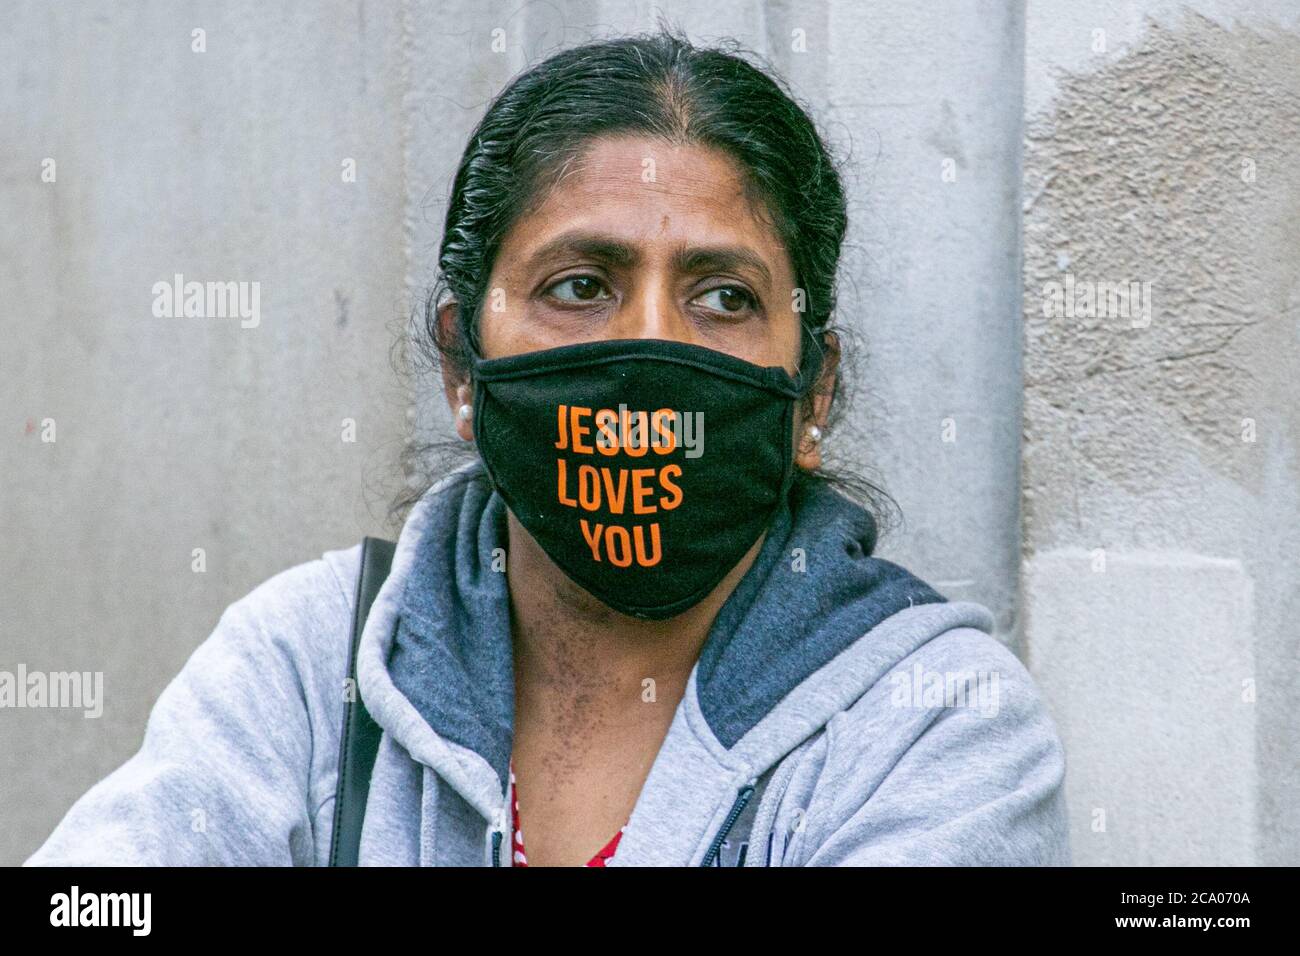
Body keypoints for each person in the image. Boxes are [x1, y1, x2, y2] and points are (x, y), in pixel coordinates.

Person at [26, 29, 1069, 867]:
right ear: (460, 366)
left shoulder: (932, 723)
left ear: (814, 394)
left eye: (721, 296)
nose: (649, 345)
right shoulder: (314, 665)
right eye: (580, 287)